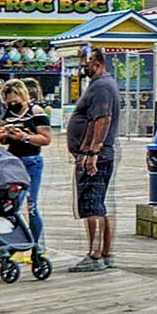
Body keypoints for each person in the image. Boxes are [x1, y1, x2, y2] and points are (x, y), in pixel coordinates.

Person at [66, 47, 123, 270]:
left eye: (86, 63)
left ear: (97, 63)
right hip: (100, 153)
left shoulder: (101, 87)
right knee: (103, 203)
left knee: (93, 205)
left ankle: (95, 255)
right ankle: (105, 253)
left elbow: (103, 118)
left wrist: (92, 152)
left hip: (97, 156)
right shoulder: (102, 84)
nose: (83, 68)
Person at [0, 78, 54, 242]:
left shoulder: (36, 111)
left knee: (31, 205)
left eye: (15, 101)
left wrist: (25, 137)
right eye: (9, 102)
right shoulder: (8, 114)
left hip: (31, 160)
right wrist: (4, 136)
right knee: (11, 204)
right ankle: (16, 241)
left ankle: (36, 245)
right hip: (12, 161)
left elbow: (46, 139)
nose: (12, 105)